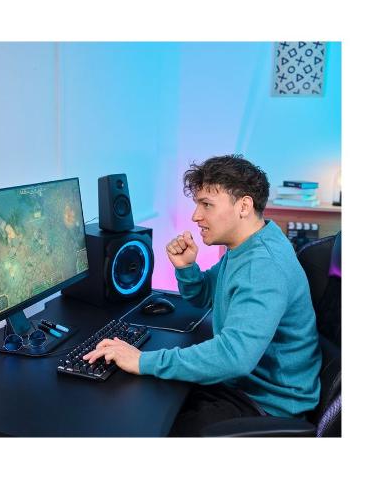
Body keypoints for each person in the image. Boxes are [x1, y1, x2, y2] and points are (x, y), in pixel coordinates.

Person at [83, 154, 322, 436]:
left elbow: (234, 357)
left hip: (268, 404)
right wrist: (187, 268)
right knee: (145, 399)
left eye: (206, 204)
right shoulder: (251, 243)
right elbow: (207, 294)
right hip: (245, 385)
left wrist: (142, 360)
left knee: (143, 423)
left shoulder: (262, 266)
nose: (196, 216)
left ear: (244, 206)